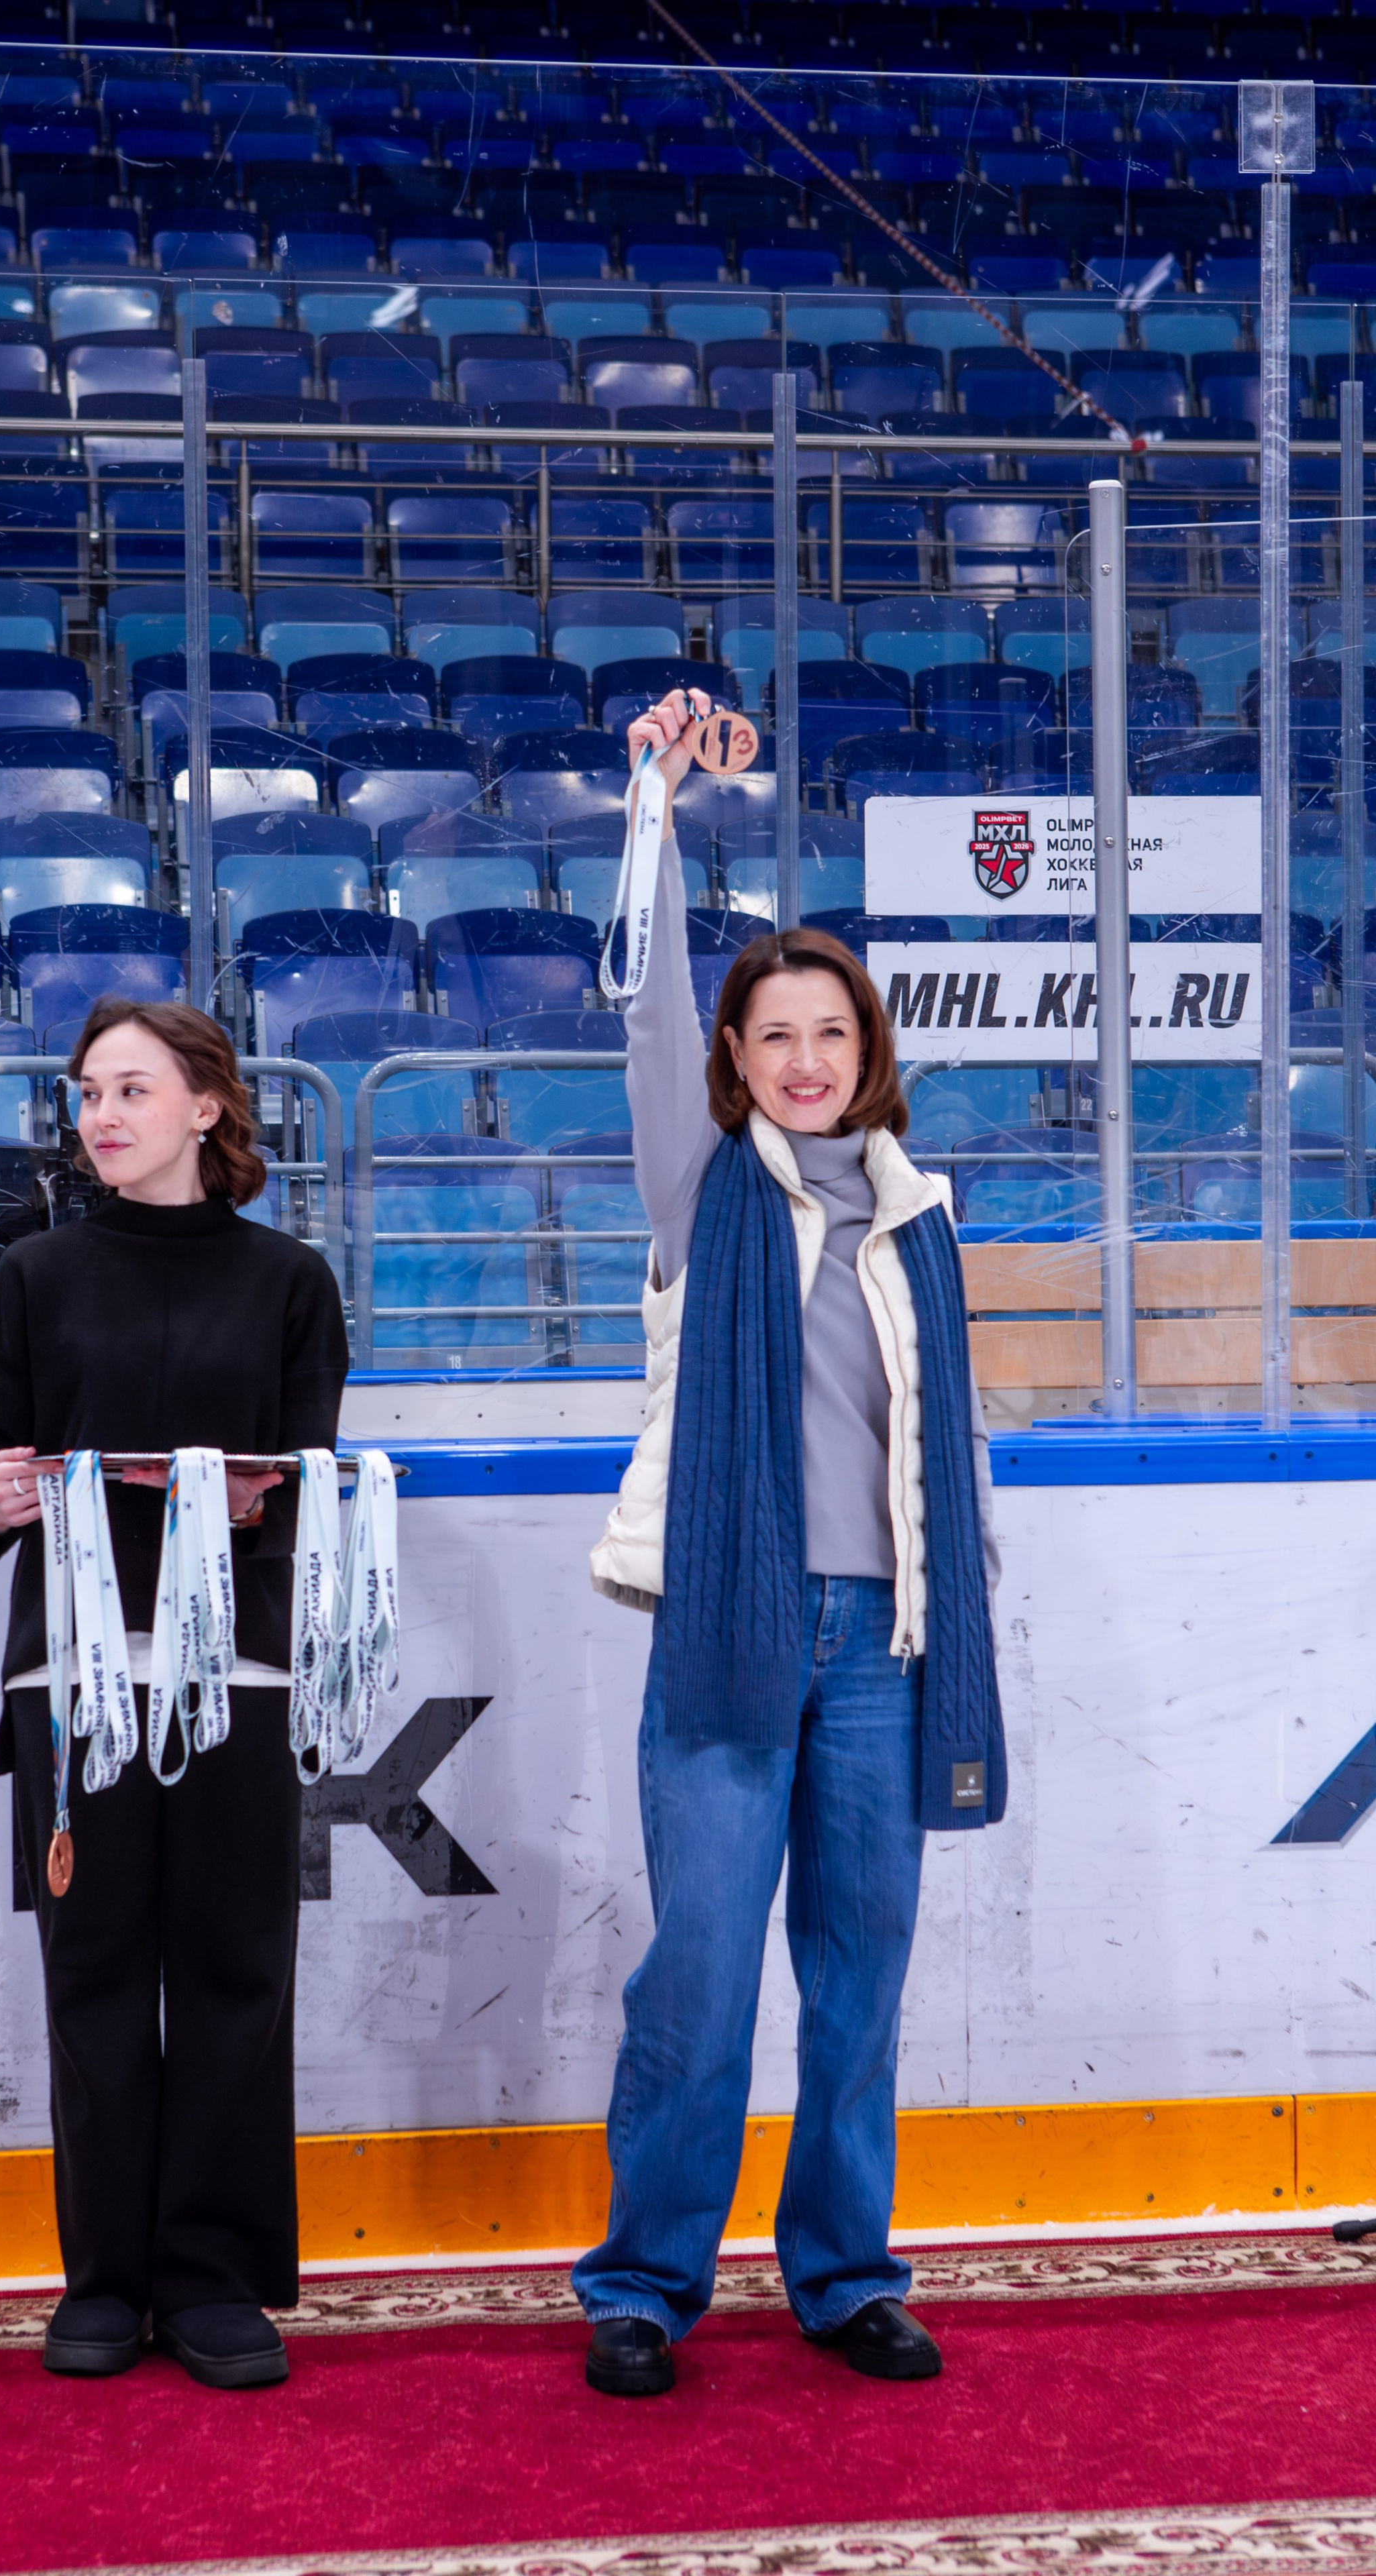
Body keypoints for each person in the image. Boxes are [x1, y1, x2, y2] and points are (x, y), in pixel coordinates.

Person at [573, 688, 1005, 2398]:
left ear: (865, 1048)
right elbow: (644, 999)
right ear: (736, 1064)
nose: (803, 1057)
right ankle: (641, 2281)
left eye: (829, 1031)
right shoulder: (698, 1187)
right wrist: (653, 811)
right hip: (731, 1636)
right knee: (695, 1973)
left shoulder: (917, 1213)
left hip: (882, 1645)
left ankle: (841, 2273)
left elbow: (935, 1456)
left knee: (857, 1973)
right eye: (773, 1036)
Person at [0, 998, 348, 2390]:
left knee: (236, 1973)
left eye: (130, 1088)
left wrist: (257, 1504)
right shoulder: (33, 1275)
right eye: (85, 1094)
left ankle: (213, 2278)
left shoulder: (290, 1281)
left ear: (205, 1107)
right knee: (98, 1976)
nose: (101, 1115)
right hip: (71, 1678)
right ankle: (107, 2281)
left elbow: (311, 1483)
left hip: (232, 1669)